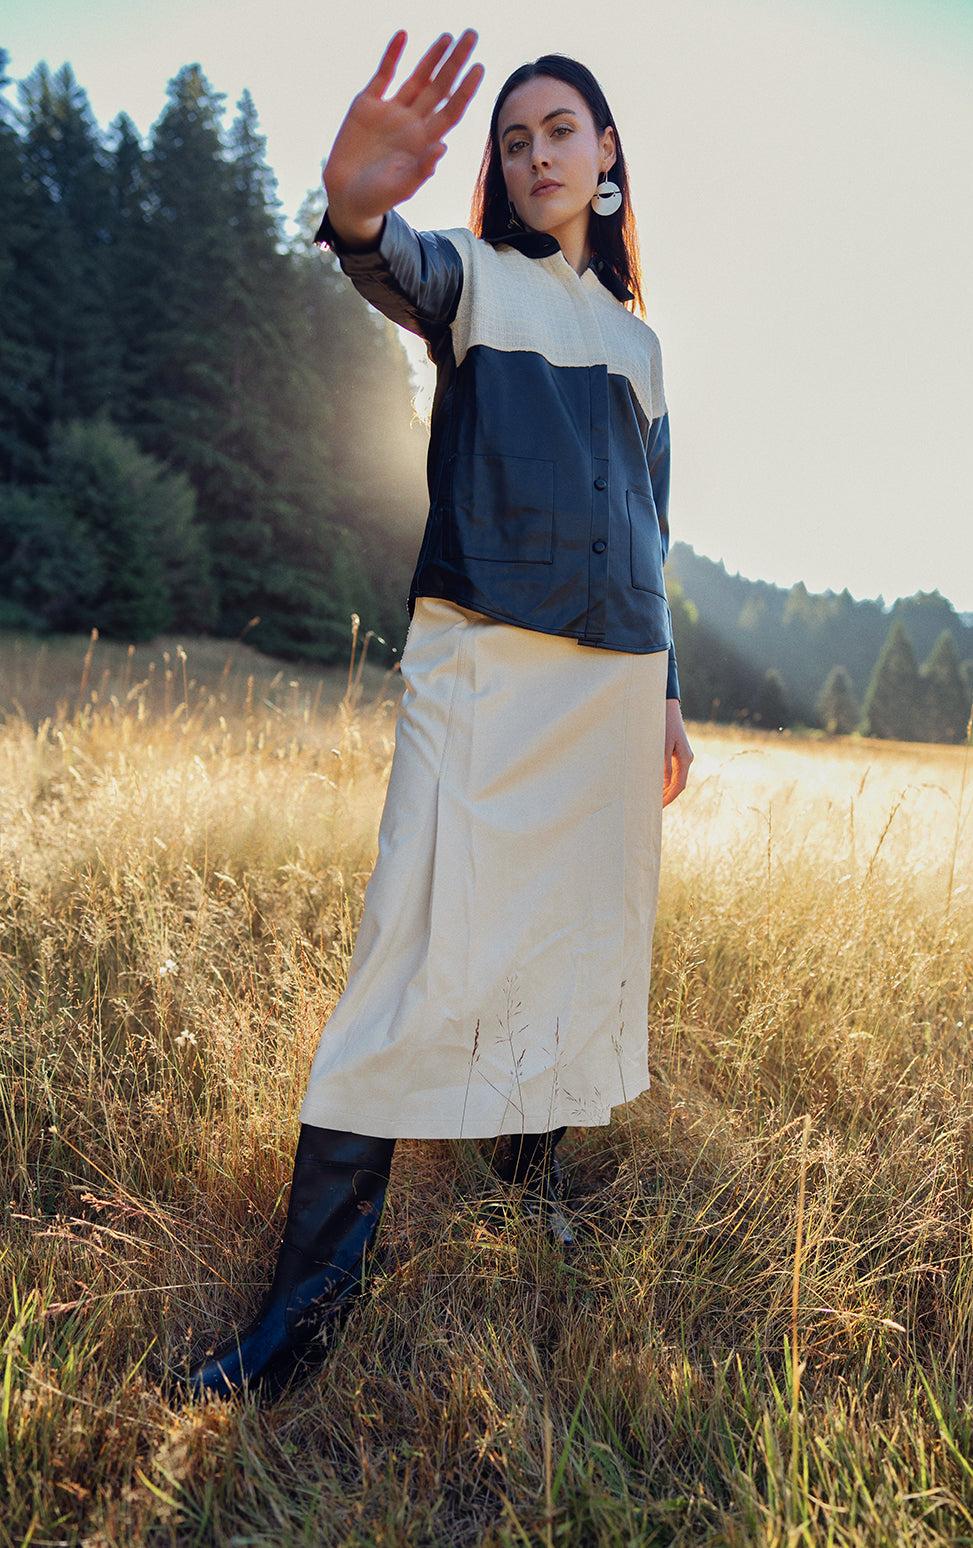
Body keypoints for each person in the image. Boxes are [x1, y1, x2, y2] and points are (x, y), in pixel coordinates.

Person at [187, 29, 693, 1403]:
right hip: (483, 667)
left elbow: (654, 528)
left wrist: (665, 698)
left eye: (558, 130)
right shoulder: (473, 282)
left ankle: (529, 1192)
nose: (534, 152)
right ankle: (308, 1310)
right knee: (410, 956)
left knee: (568, 947)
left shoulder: (644, 348)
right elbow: (388, 261)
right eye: (512, 138)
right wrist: (357, 204)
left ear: (606, 159)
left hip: (607, 691)